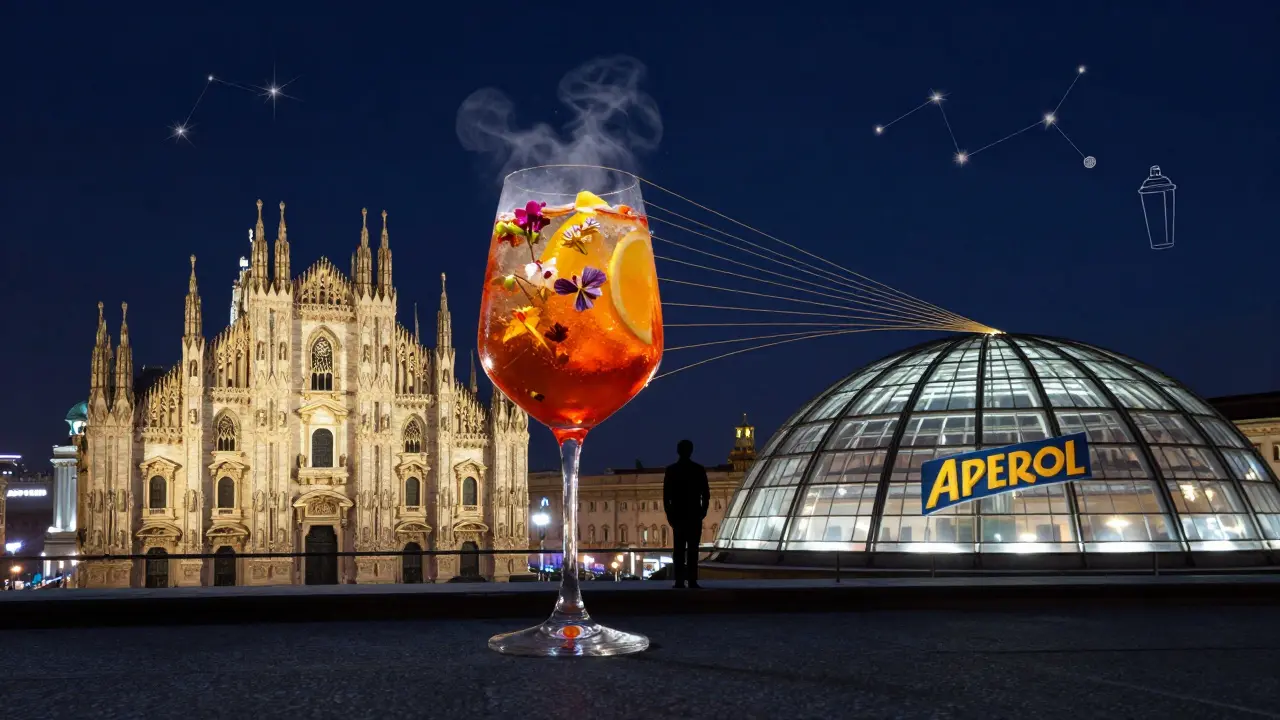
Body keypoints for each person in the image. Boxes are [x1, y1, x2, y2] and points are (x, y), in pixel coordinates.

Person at [663, 439, 710, 589]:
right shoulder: (698, 469)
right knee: (692, 551)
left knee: (679, 550)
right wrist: (703, 511)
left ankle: (679, 581)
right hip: (694, 515)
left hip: (678, 515)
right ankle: (692, 581)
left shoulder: (671, 470)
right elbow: (706, 494)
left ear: (678, 451)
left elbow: (666, 496)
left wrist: (670, 515)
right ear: (691, 451)